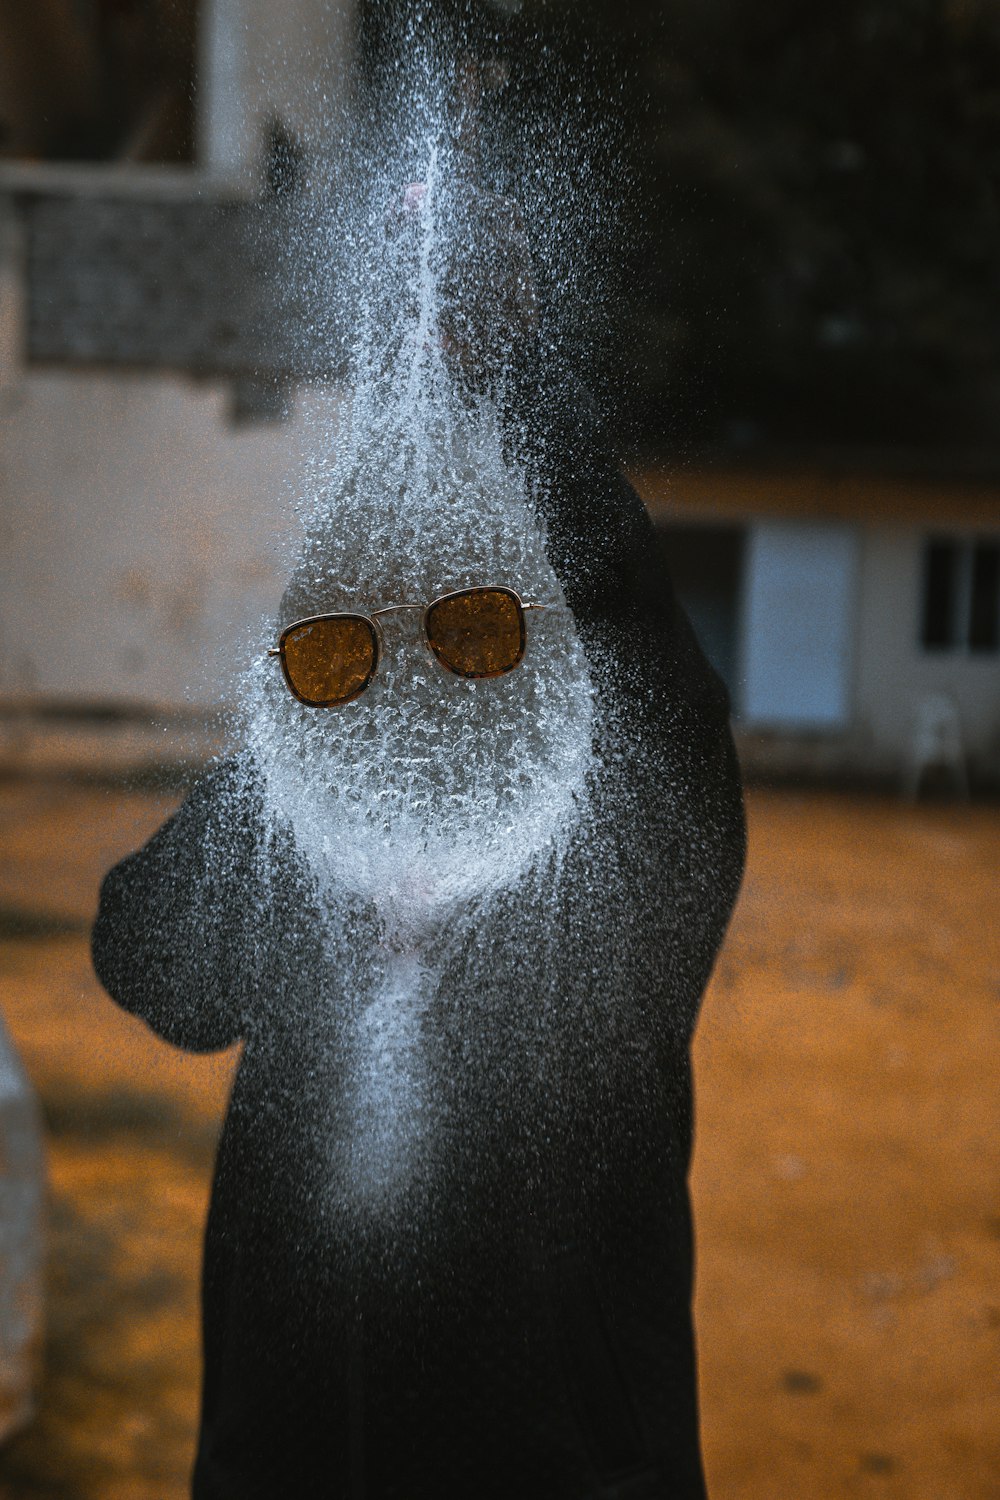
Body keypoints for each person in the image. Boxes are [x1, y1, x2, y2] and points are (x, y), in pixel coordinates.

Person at [92, 27, 745, 1500]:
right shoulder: (305, 826)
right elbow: (141, 956)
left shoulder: (621, 848)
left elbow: (623, 643)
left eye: (474, 630)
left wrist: (503, 391)